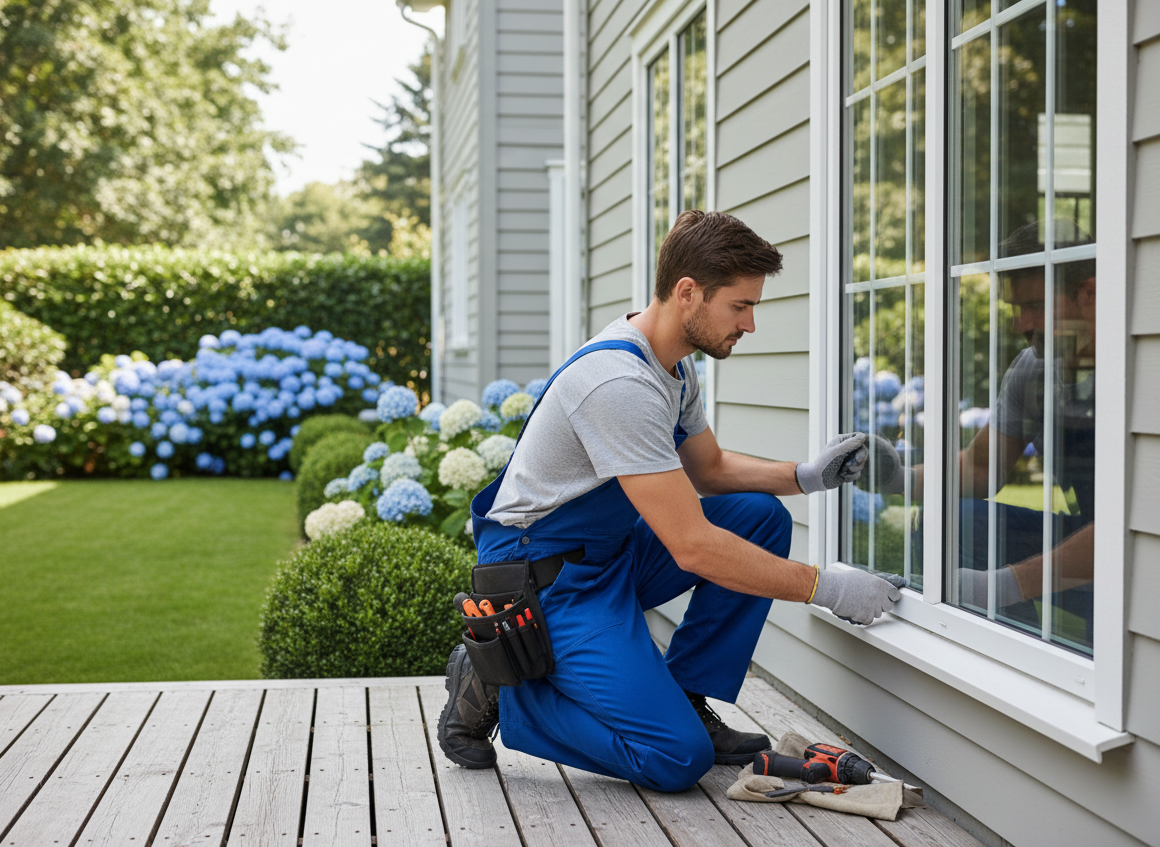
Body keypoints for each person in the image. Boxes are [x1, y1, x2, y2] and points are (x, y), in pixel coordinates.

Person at [436, 210, 904, 792]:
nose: (751, 324)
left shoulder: (672, 368)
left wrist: (807, 475)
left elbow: (707, 469)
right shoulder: (619, 385)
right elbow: (694, 548)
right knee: (674, 757)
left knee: (758, 517)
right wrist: (826, 589)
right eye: (741, 306)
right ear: (688, 293)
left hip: (607, 553)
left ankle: (686, 696)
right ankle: (507, 690)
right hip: (546, 581)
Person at [869, 221, 1096, 646]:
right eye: (1014, 308)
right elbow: (979, 467)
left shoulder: (1145, 369)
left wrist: (1001, 586)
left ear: (1090, 293)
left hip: (1142, 572)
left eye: (1033, 305)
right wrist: (893, 476)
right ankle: (1012, 659)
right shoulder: (1035, 368)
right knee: (956, 520)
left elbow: (1130, 530)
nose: (1019, 324)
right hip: (1084, 538)